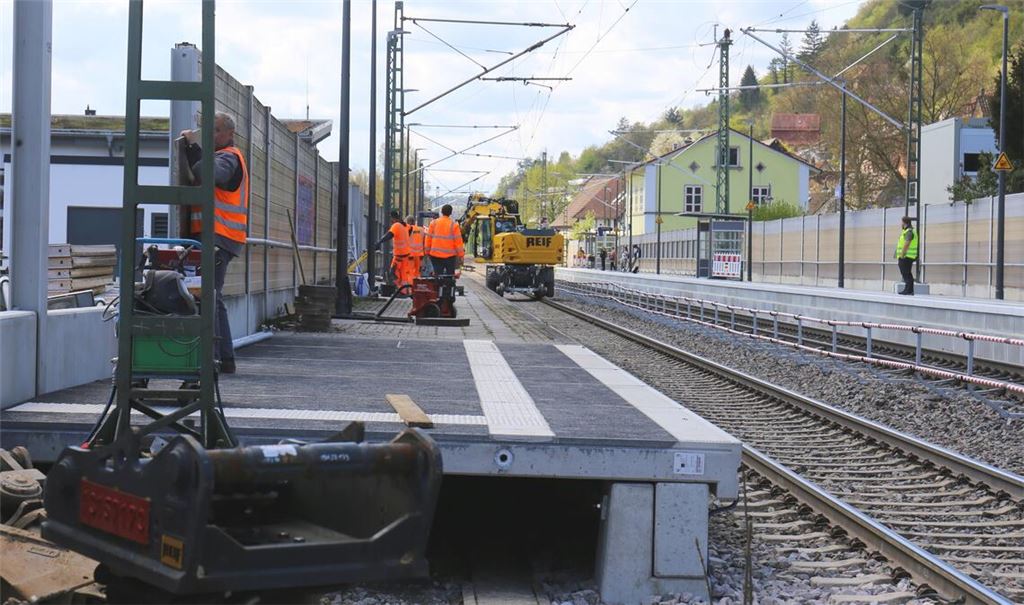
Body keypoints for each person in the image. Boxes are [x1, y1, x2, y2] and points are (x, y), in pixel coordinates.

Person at [181, 111, 248, 374]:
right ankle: (224, 358)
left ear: (229, 134)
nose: (211, 135)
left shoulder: (229, 157)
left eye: (216, 130)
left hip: (219, 237)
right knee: (212, 296)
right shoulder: (224, 156)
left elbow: (209, 174)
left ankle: (219, 358)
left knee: (209, 296)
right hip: (217, 237)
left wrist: (193, 148)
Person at [375, 211, 412, 291]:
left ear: (393, 218)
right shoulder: (405, 225)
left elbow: (389, 235)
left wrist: (379, 242)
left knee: (393, 274)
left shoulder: (396, 225)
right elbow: (411, 228)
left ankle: (398, 290)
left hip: (399, 256)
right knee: (403, 276)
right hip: (406, 255)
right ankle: (404, 292)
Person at [425, 204, 464, 276]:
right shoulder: (454, 225)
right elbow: (458, 242)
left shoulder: (433, 223)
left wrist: (427, 252)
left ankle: (438, 285)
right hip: (450, 257)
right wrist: (461, 256)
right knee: (449, 277)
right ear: (450, 213)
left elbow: (428, 239)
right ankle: (449, 286)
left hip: (435, 256)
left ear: (441, 212)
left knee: (437, 276)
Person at [895, 215, 919, 295]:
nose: (900, 224)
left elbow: (906, 244)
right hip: (908, 256)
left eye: (901, 222)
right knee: (907, 273)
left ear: (904, 222)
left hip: (906, 256)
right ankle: (909, 290)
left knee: (906, 273)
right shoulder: (909, 231)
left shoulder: (909, 231)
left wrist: (902, 255)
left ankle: (908, 290)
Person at [407, 215, 425, 280]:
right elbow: (424, 241)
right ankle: (417, 286)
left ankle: (411, 287)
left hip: (410, 255)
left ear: (408, 222)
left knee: (410, 273)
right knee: (418, 273)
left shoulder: (407, 229)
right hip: (419, 255)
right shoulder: (421, 229)